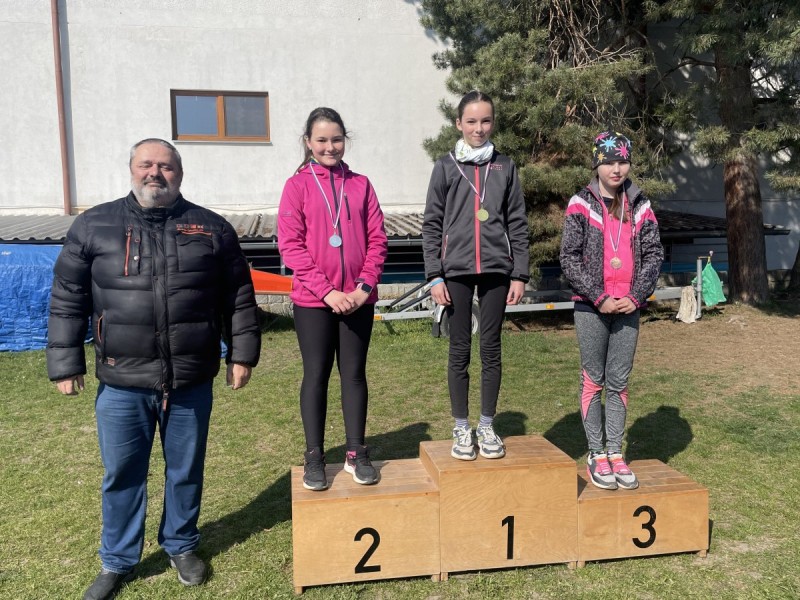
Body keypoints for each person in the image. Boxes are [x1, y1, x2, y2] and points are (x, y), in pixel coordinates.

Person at [47, 138, 261, 600]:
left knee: (185, 469)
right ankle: (117, 560)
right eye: (146, 164)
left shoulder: (212, 228)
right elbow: (67, 297)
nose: (155, 173)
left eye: (166, 166)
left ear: (179, 173)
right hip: (122, 380)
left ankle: (181, 544)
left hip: (189, 378)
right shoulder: (94, 225)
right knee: (123, 473)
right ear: (131, 169)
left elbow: (239, 297)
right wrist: (65, 362)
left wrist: (241, 354)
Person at [278, 107, 388, 491]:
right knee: (316, 375)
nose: (330, 147)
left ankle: (356, 452)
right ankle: (315, 457)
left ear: (345, 140)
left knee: (354, 374)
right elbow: (291, 246)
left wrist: (362, 288)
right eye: (322, 140)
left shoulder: (361, 185)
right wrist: (327, 291)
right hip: (313, 301)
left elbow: (378, 241)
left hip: (358, 299)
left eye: (336, 139)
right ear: (308, 142)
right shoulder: (297, 186)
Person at [422, 91, 530, 461]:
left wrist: (520, 273)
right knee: (459, 349)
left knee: (491, 348)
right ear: (459, 124)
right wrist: (434, 275)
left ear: (493, 123)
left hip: (498, 270)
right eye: (471, 121)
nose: (478, 128)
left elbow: (517, 222)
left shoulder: (505, 167)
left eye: (485, 121)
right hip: (455, 271)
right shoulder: (445, 166)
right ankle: (460, 426)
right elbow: (432, 224)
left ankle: (486, 425)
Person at [559, 130, 663, 490]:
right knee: (594, 379)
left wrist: (636, 296)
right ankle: (596, 453)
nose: (616, 169)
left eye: (622, 161)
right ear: (596, 164)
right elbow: (569, 258)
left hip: (629, 305)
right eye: (609, 162)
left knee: (619, 381)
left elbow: (654, 254)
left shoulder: (641, 205)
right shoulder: (580, 203)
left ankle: (616, 453)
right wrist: (598, 296)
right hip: (592, 307)